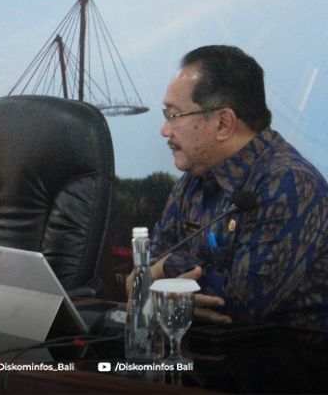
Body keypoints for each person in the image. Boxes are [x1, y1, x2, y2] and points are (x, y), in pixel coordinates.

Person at [140, 45, 328, 330]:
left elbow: (240, 304)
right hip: (199, 352)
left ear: (223, 123)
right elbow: (142, 279)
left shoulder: (289, 183)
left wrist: (168, 268)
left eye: (174, 116)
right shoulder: (194, 180)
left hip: (278, 355)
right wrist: (159, 285)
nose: (164, 130)